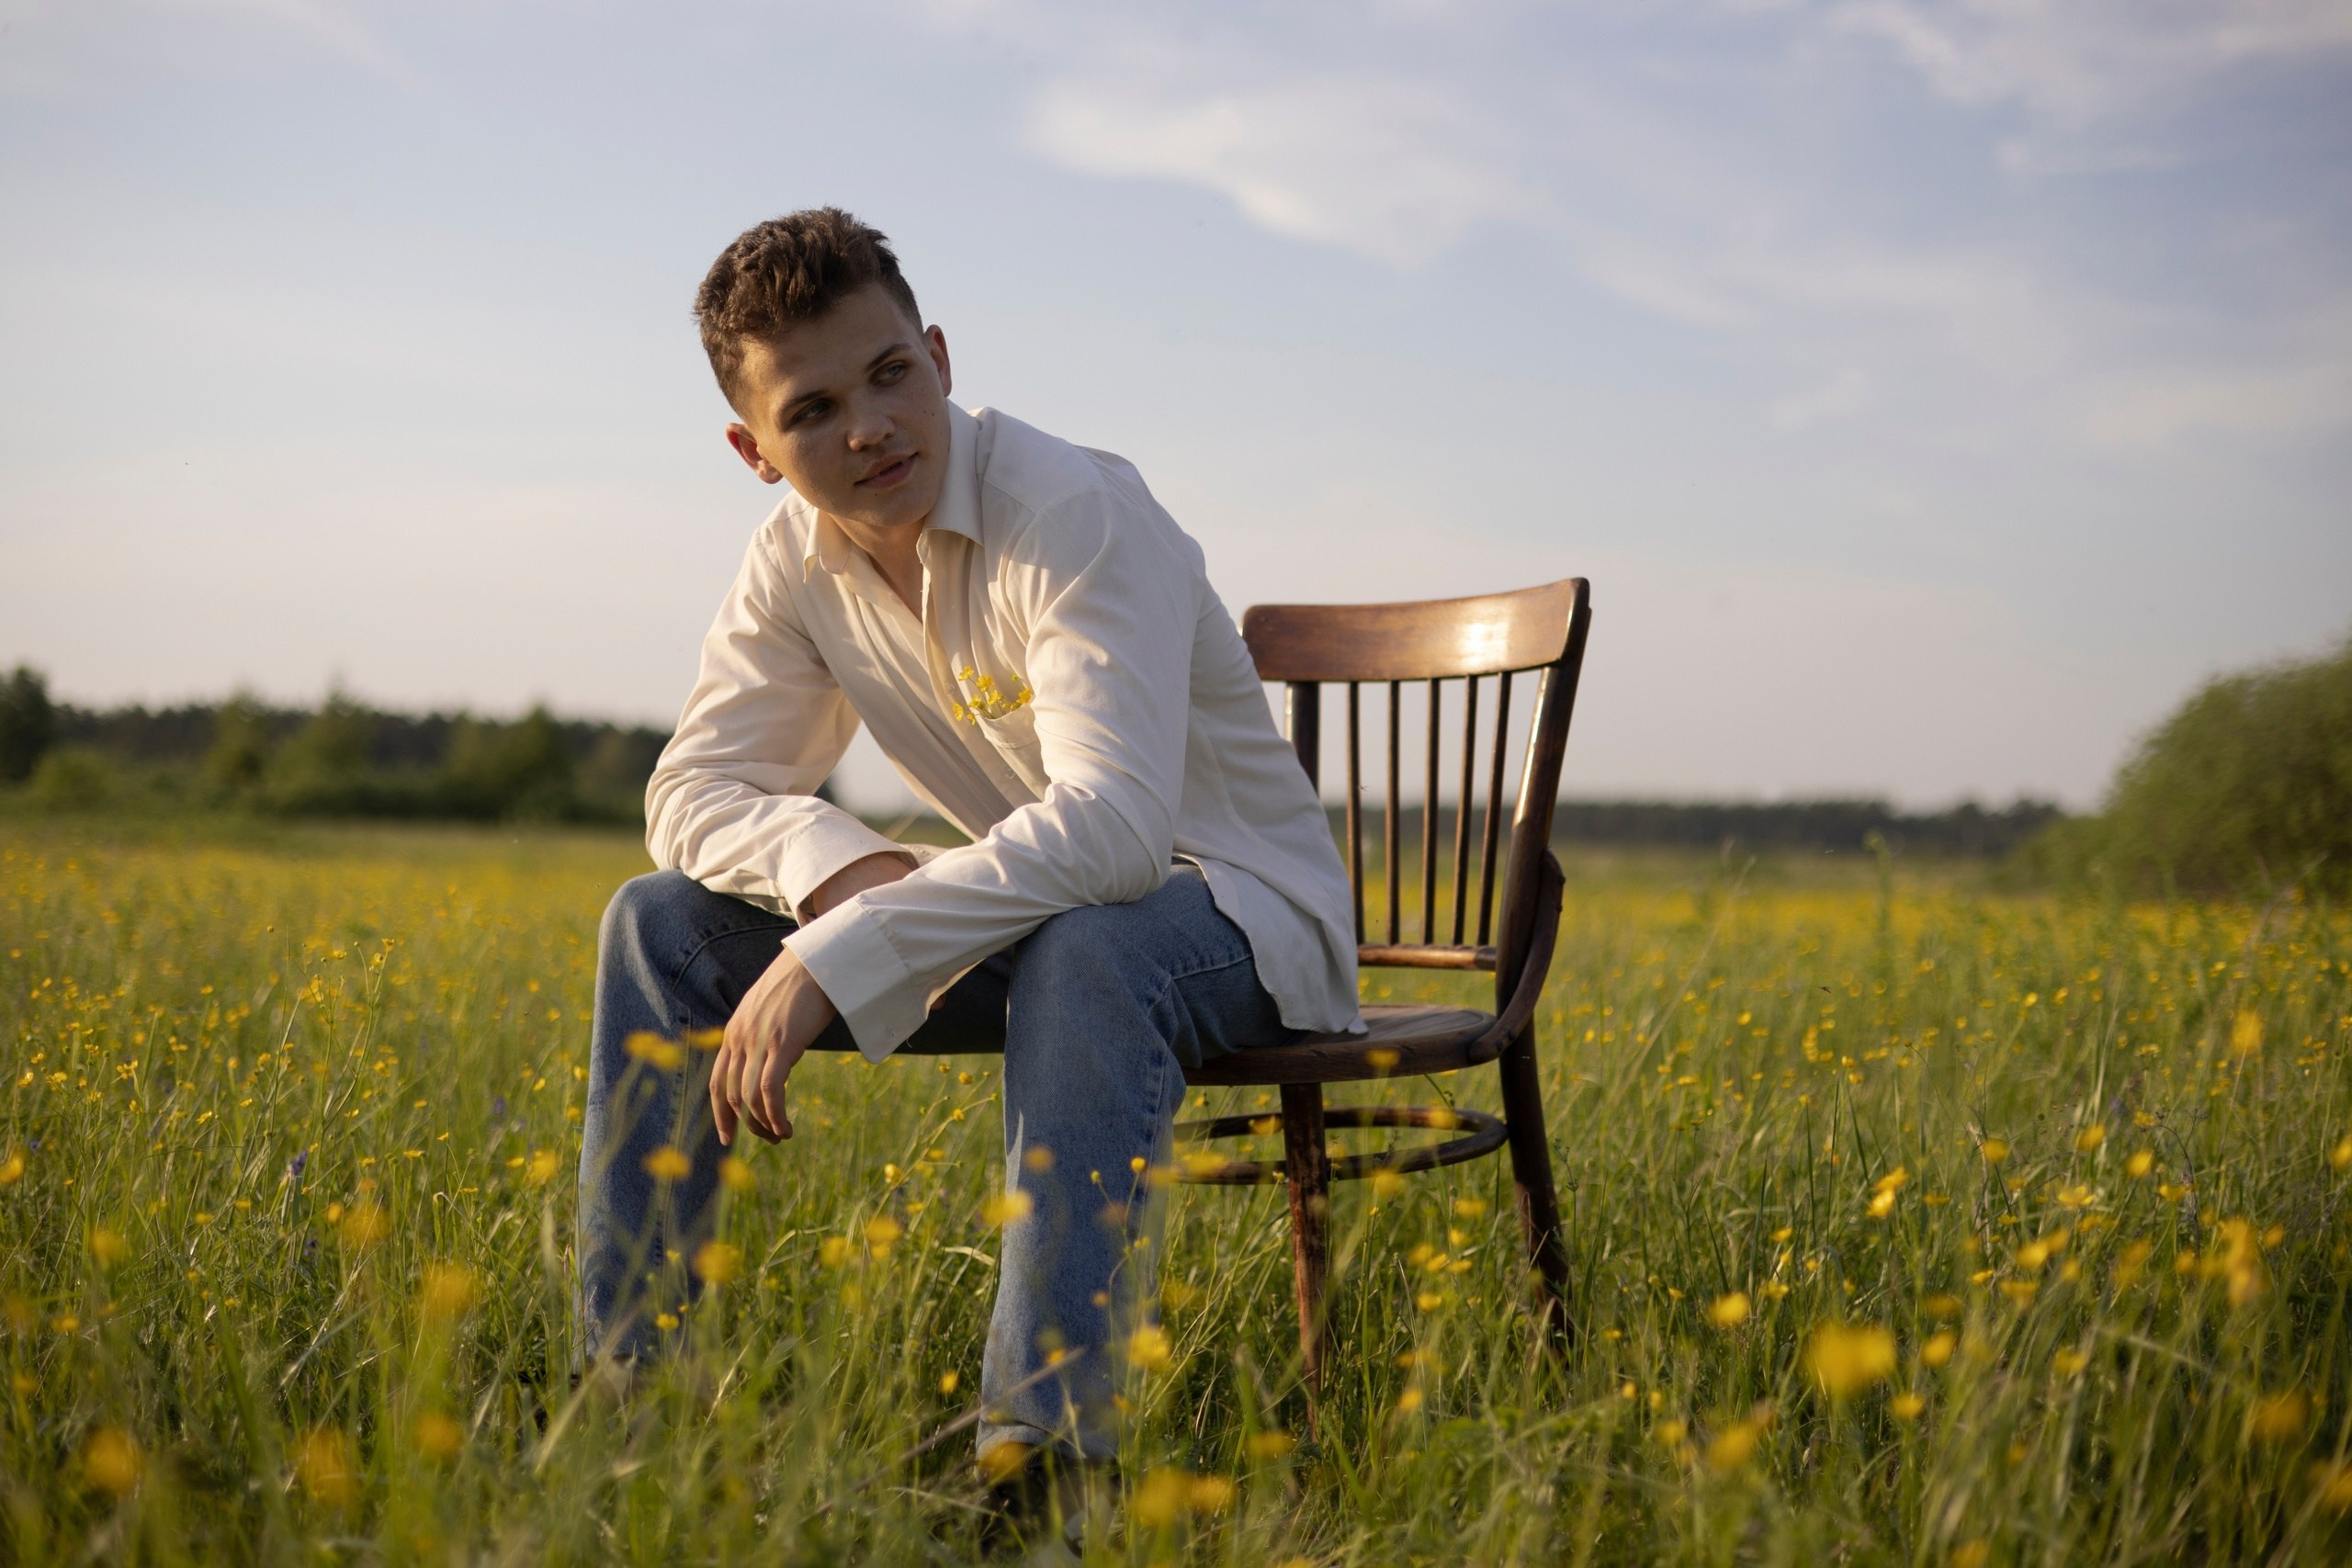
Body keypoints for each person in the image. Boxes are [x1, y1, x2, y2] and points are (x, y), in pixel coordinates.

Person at [575, 208, 1361, 1480]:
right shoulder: (791, 563)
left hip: (1239, 916)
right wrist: (836, 873)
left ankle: (1038, 1469)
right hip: (1046, 913)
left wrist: (846, 949)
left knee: (1095, 950)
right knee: (658, 925)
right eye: (813, 410)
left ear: (939, 358)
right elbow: (693, 790)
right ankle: (629, 1424)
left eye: (891, 374)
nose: (870, 427)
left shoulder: (1071, 510)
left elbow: (1118, 831)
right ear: (753, 450)